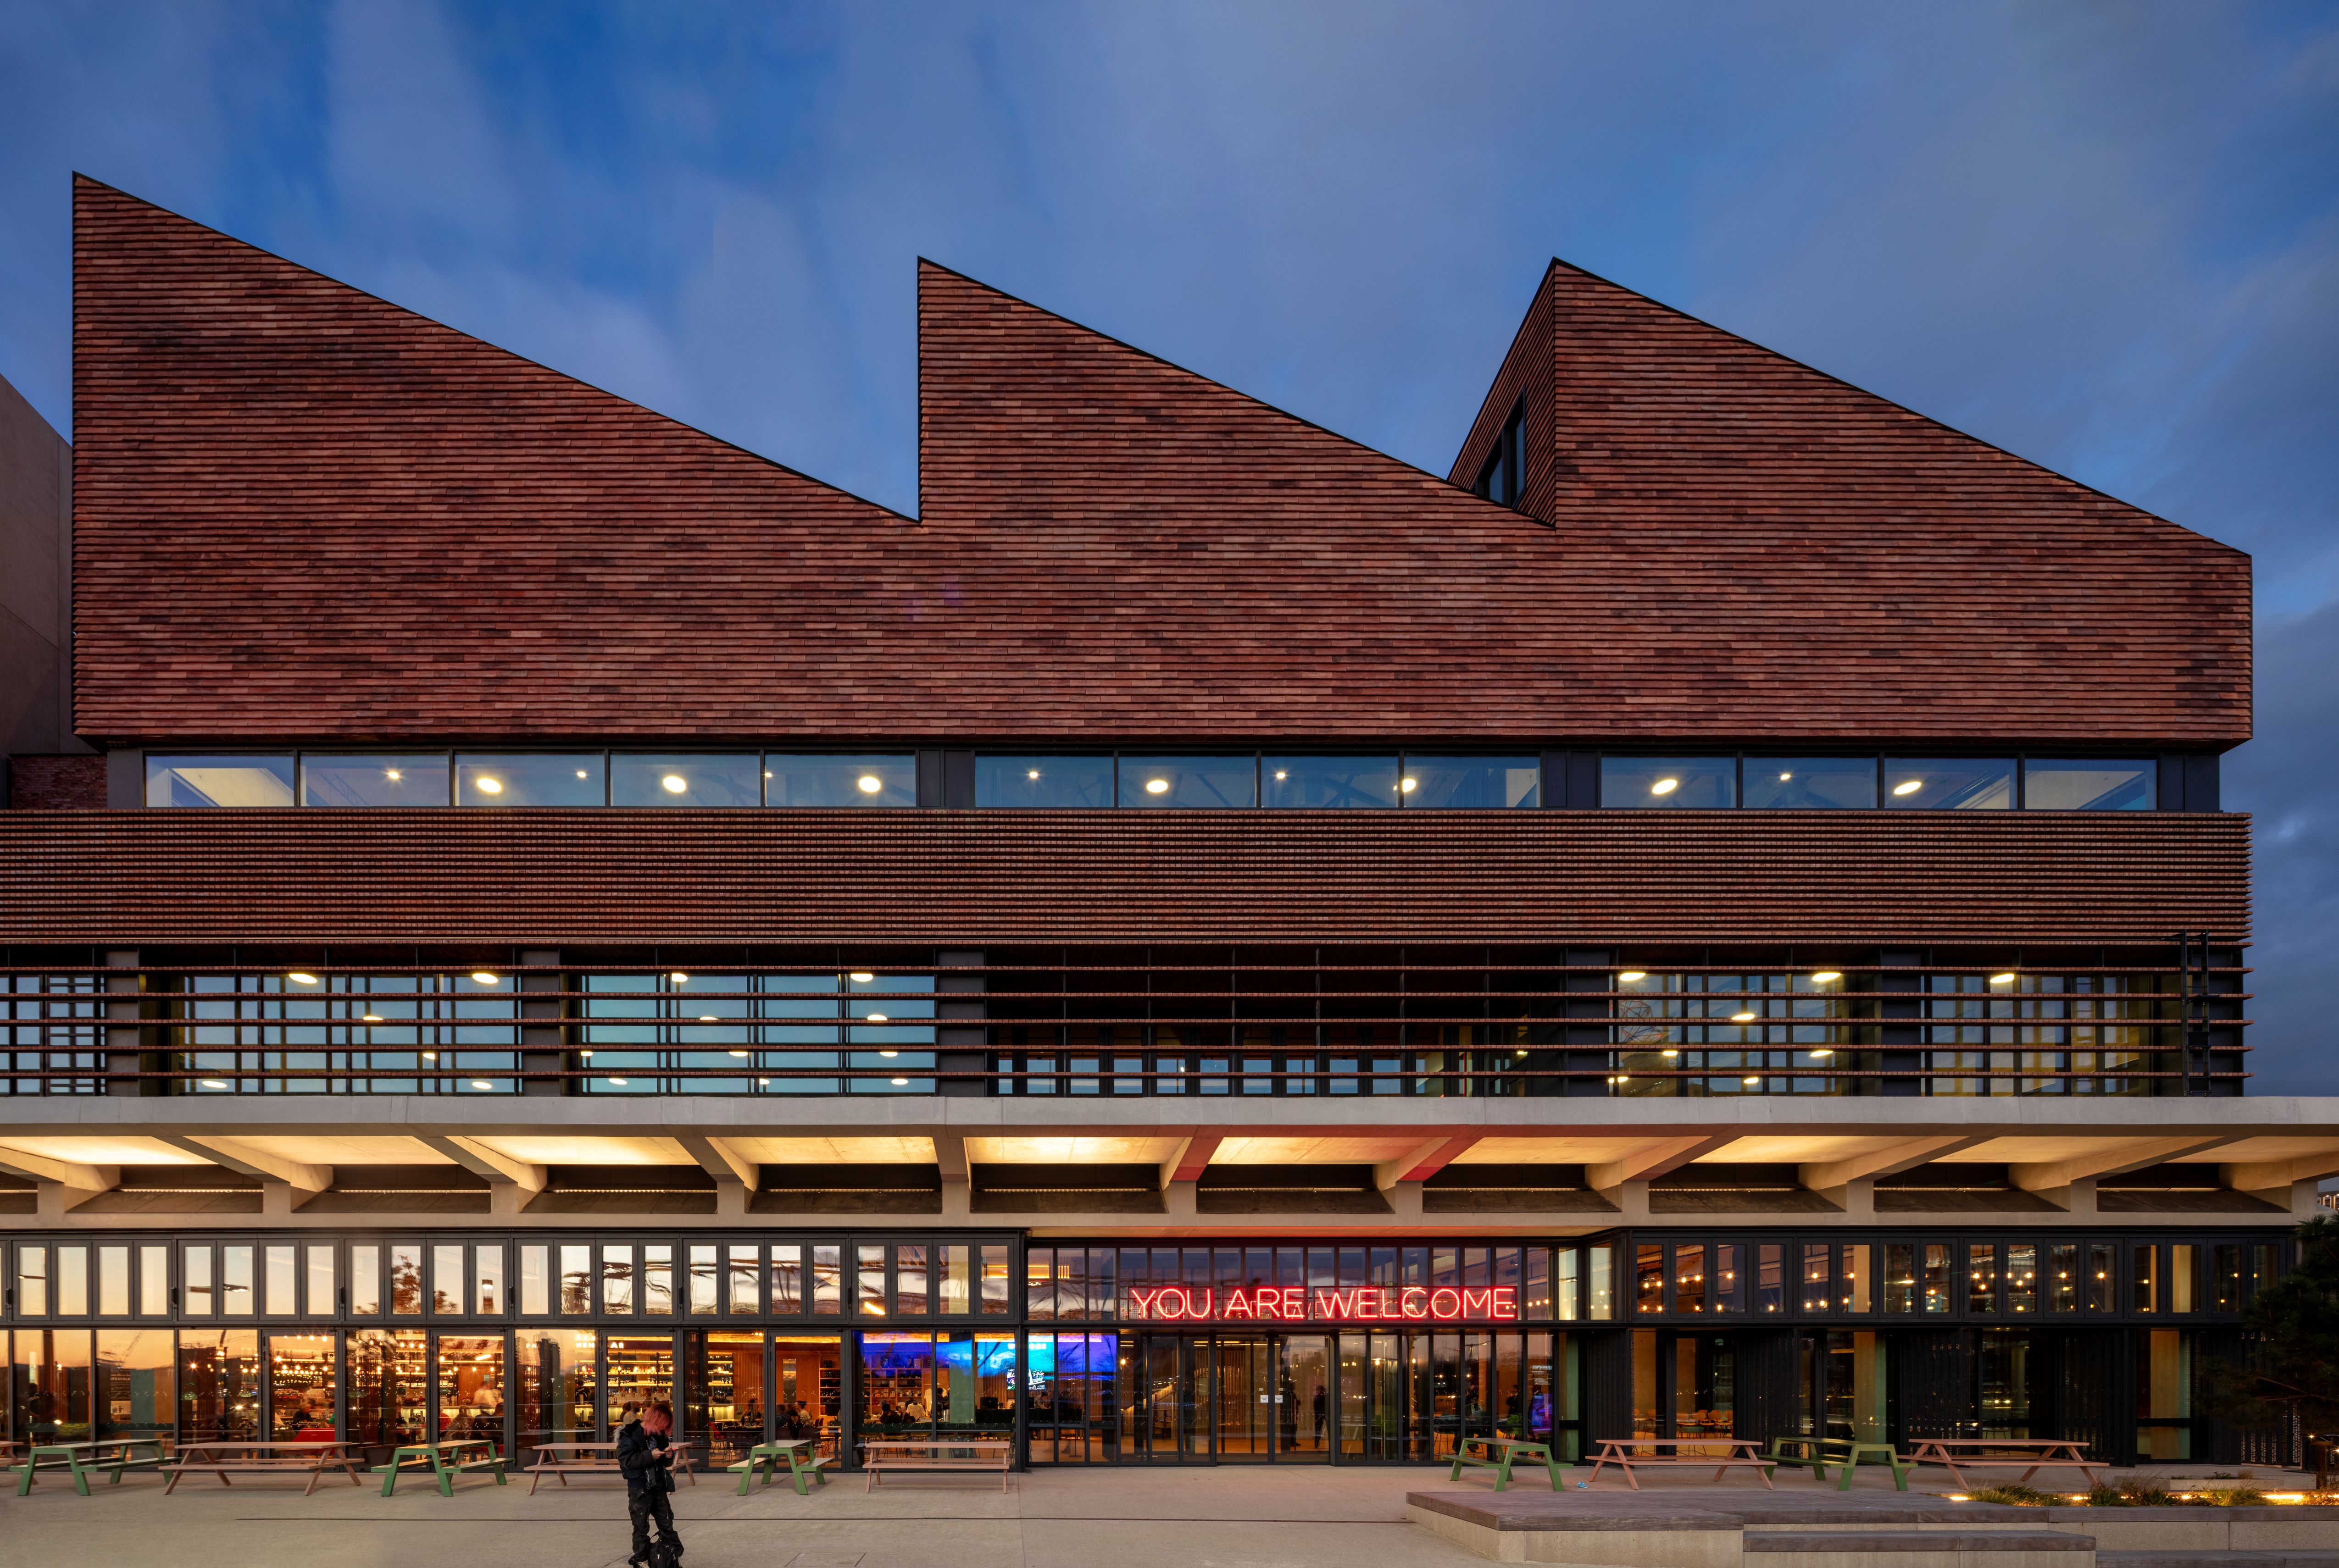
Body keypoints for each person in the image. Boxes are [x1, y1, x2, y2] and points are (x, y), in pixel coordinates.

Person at [617, 1401, 683, 1566]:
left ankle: (672, 1556)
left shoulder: (659, 1434)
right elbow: (626, 1461)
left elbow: (663, 1463)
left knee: (667, 1523)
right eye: (661, 1425)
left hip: (658, 1485)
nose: (662, 1430)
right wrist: (650, 1456)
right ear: (654, 1420)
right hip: (639, 1487)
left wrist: (667, 1456)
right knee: (641, 1526)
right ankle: (642, 1560)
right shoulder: (630, 1434)